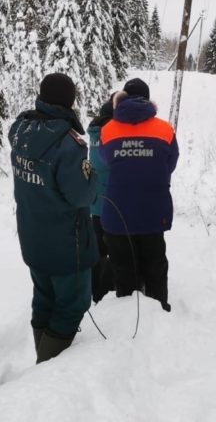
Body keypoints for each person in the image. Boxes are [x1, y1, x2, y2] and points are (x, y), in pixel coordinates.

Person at [9, 72, 99, 363]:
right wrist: (92, 177)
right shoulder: (67, 145)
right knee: (73, 304)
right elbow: (82, 196)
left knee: (45, 297)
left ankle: (43, 360)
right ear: (69, 101)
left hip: (33, 236)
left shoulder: (22, 131)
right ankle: (47, 368)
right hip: (65, 243)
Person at [99, 78, 179, 311]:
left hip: (116, 212)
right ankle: (159, 313)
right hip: (153, 211)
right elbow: (170, 164)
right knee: (155, 266)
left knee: (123, 270)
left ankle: (129, 323)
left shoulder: (108, 129)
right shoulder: (165, 129)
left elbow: (106, 161)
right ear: (147, 98)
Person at [87, 95, 116, 303]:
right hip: (112, 202)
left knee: (97, 250)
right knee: (113, 249)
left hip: (96, 201)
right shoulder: (111, 134)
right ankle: (105, 292)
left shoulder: (94, 134)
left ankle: (93, 289)